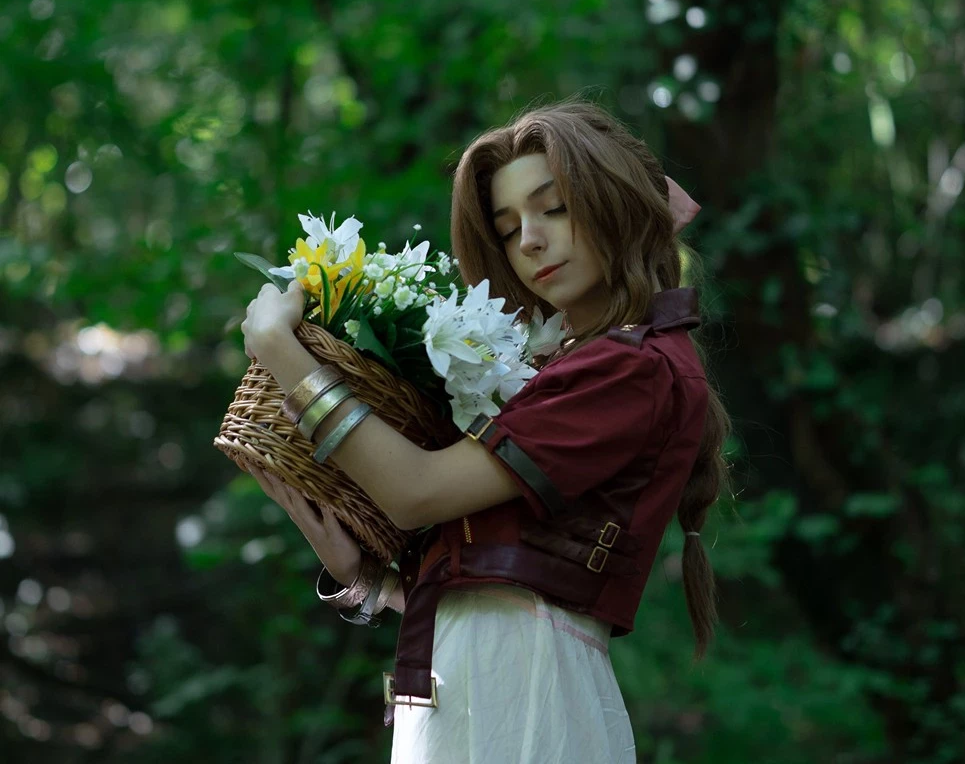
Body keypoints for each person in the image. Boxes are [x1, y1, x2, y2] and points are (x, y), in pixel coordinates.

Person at [241, 98, 731, 763]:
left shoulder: (634, 371)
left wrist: (283, 351)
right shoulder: (570, 363)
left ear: (613, 201)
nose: (529, 240)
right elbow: (493, 586)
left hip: (527, 688)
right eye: (507, 228)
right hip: (474, 680)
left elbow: (416, 492)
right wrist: (361, 579)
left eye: (553, 208)